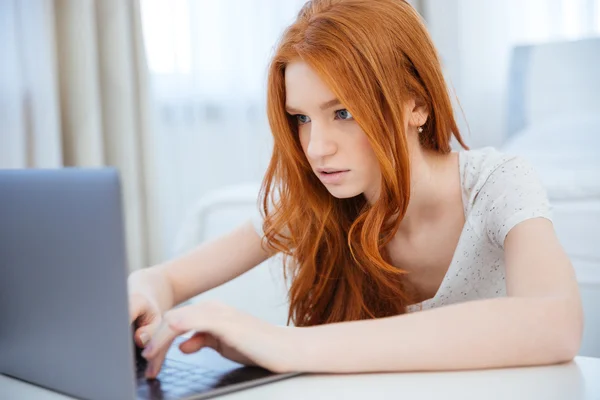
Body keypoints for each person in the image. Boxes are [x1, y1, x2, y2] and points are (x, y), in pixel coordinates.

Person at [130, 0, 583, 378]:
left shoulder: (497, 184)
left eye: (342, 113)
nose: (316, 148)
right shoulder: (315, 205)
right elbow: (164, 279)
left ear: (417, 104)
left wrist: (284, 345)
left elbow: (555, 321)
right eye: (302, 118)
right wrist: (146, 296)